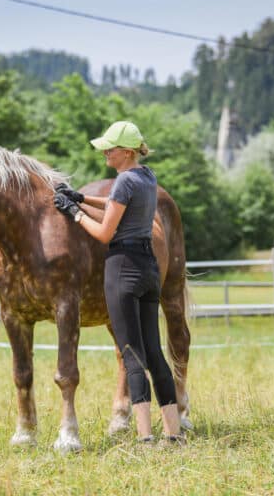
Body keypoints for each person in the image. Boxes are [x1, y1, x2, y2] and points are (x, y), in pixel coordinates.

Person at [53, 121, 183, 445]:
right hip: (149, 269)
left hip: (123, 269)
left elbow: (104, 232)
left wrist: (75, 213)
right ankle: (174, 434)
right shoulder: (147, 177)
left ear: (126, 152)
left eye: (110, 149)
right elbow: (117, 203)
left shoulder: (124, 180)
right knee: (154, 352)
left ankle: (145, 436)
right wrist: (81, 197)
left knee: (131, 354)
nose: (105, 154)